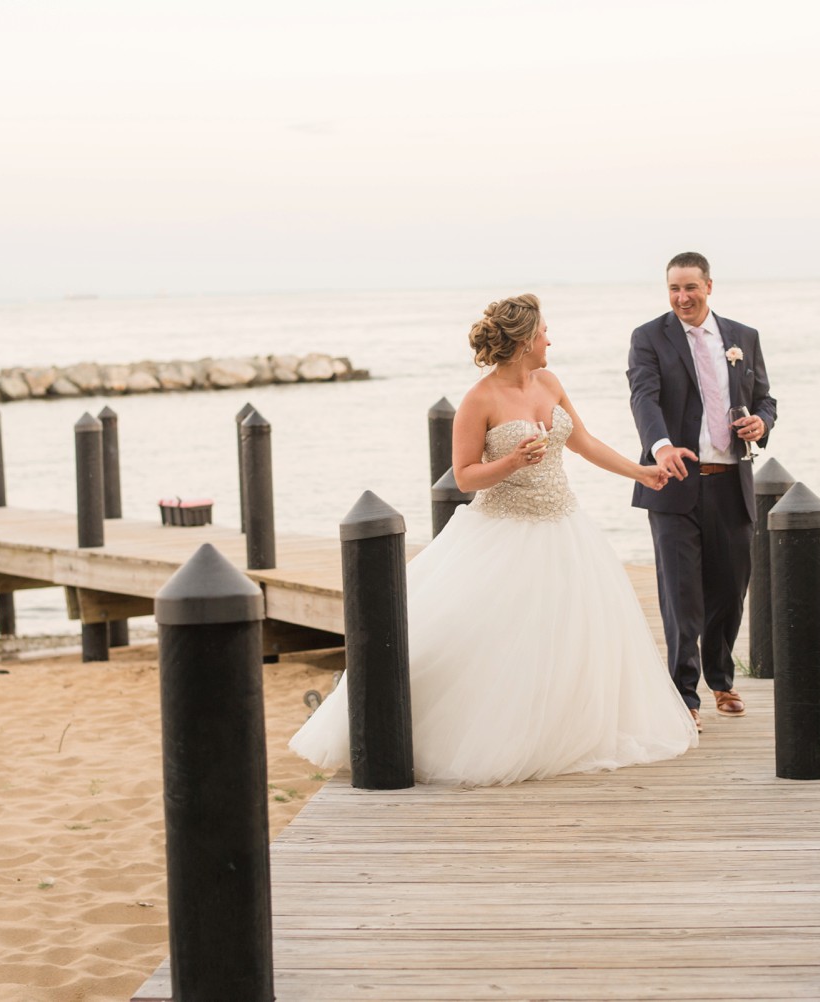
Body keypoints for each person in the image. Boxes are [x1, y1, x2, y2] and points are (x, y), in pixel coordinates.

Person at [290, 294, 698, 786]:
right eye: (545, 331)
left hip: (565, 528)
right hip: (503, 532)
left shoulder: (550, 381)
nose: (551, 339)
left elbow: (584, 441)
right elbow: (463, 476)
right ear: (526, 341)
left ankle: (559, 731)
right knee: (482, 638)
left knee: (569, 636)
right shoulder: (479, 400)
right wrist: (511, 462)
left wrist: (641, 471)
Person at [628, 252, 777, 725]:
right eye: (673, 288)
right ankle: (685, 696)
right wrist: (662, 446)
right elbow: (643, 396)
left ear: (709, 286)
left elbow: (765, 397)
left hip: (731, 484)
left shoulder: (742, 337)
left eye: (690, 287)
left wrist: (762, 422)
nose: (682, 297)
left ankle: (721, 678)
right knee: (681, 596)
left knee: (730, 592)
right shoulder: (649, 337)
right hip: (673, 484)